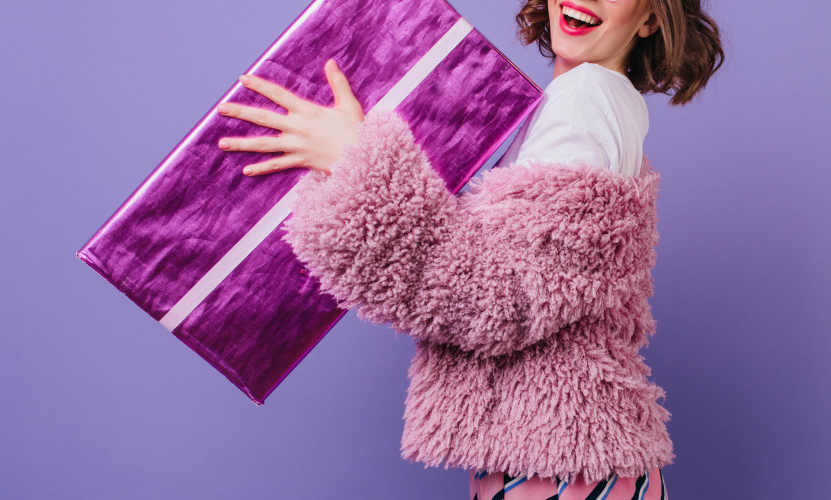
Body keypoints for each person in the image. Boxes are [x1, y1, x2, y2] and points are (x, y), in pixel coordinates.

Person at [214, 0, 722, 496]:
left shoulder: (588, 96)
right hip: (562, 457)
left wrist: (357, 160)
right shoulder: (579, 102)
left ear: (654, 15)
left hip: (561, 471)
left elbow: (499, 300)